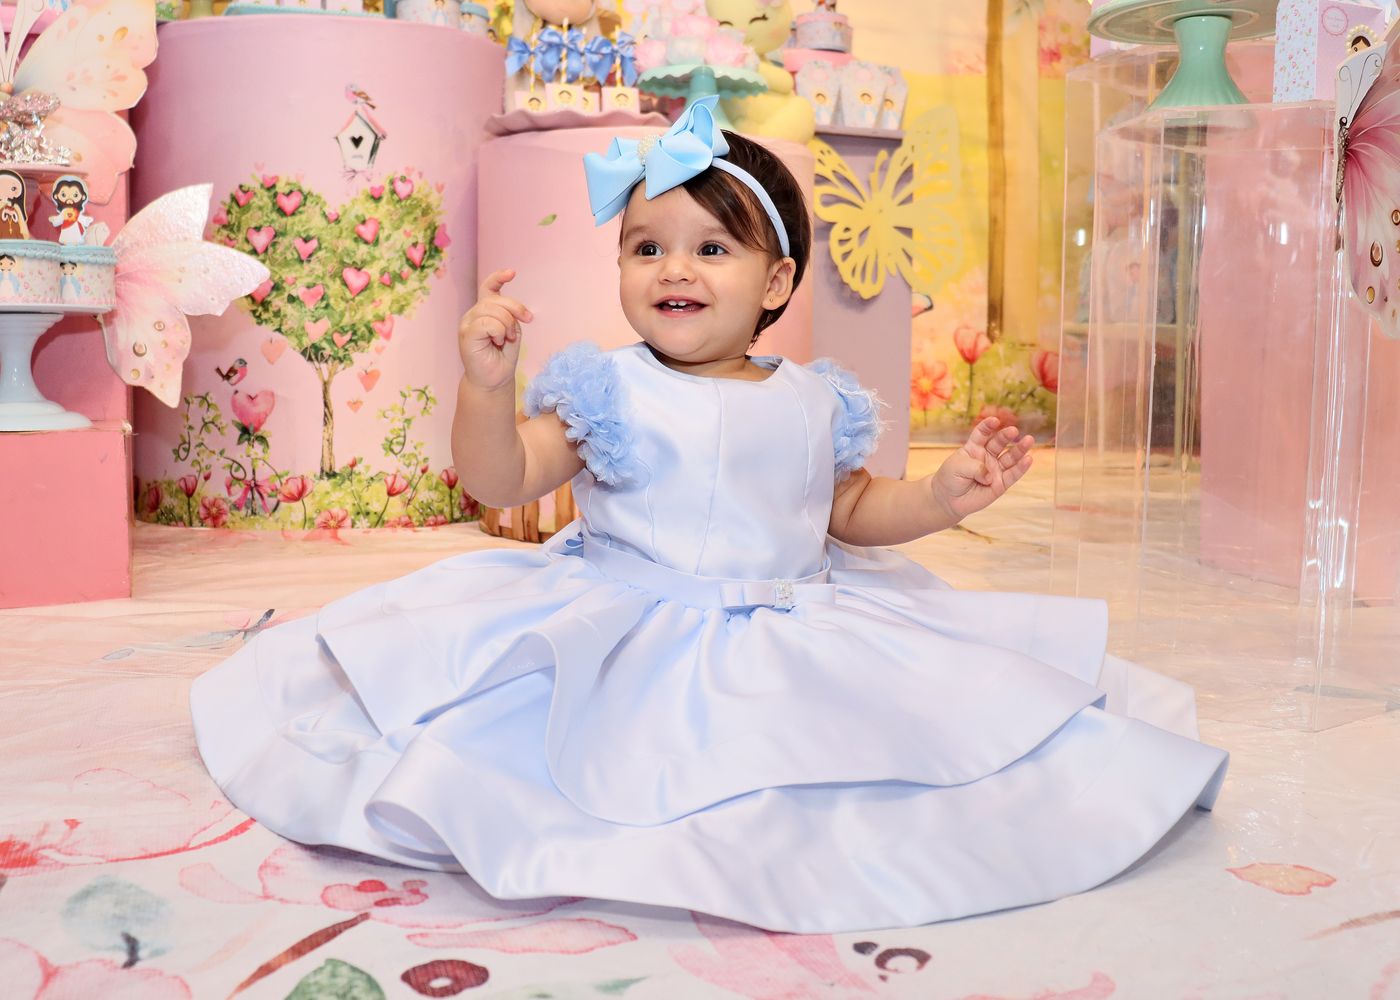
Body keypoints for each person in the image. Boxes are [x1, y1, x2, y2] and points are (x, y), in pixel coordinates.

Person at [190, 97, 1227, 934]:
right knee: (556, 762)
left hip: (791, 618)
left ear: (777, 280)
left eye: (710, 249)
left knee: (886, 754)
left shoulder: (816, 398)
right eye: (645, 247)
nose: (674, 269)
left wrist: (942, 497)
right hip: (628, 620)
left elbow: (850, 512)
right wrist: (485, 388)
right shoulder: (606, 387)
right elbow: (501, 480)